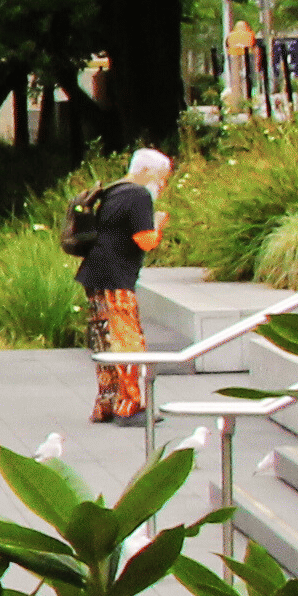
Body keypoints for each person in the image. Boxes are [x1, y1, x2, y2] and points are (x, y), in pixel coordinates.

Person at [73, 146, 172, 424]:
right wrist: (159, 223)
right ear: (147, 173)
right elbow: (146, 240)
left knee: (104, 342)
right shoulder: (139, 195)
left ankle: (106, 403)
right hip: (116, 279)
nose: (162, 185)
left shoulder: (114, 191)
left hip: (95, 274)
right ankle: (129, 406)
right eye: (161, 177)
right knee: (127, 341)